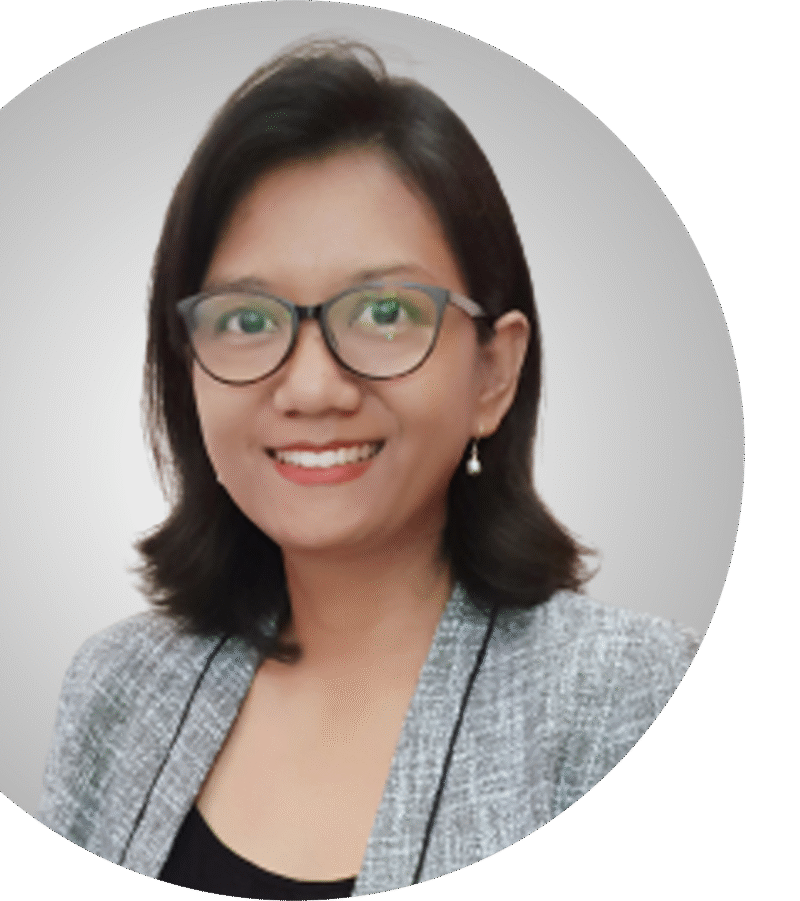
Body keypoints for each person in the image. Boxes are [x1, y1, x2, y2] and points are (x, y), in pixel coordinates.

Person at [38, 39, 698, 899]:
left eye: (384, 311)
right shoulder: (118, 689)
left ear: (493, 373)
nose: (312, 388)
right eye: (246, 320)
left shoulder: (631, 699)